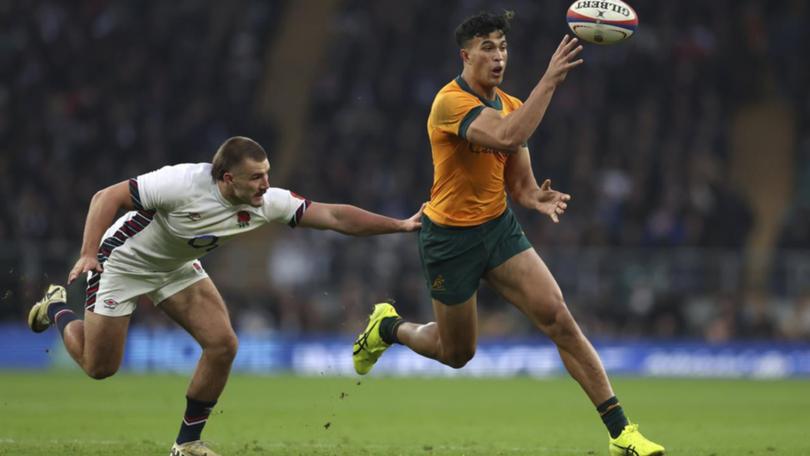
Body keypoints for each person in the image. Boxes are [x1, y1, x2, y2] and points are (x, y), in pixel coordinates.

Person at [351, 11, 665, 456]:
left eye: (502, 47)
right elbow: (505, 136)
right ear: (466, 56)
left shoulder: (512, 103)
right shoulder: (449, 103)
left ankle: (621, 433)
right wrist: (551, 80)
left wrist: (535, 197)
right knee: (456, 353)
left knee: (560, 319)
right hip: (449, 240)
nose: (498, 56)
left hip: (498, 230)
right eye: (487, 48)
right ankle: (389, 327)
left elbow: (518, 181)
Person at [27, 136, 422, 456]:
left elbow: (335, 217)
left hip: (176, 266)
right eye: (255, 178)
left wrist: (400, 225)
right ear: (226, 178)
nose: (265, 185)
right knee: (100, 367)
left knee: (223, 344)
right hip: (122, 263)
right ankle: (57, 305)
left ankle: (186, 443)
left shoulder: (266, 203)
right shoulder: (181, 183)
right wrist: (88, 252)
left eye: (266, 174)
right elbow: (105, 197)